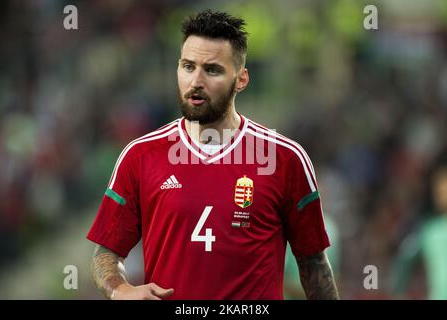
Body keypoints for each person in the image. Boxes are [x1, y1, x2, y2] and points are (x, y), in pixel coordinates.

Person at [87, 9, 339, 300]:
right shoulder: (140, 156)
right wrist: (120, 291)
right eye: (188, 66)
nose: (196, 81)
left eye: (213, 70)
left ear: (241, 80)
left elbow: (313, 264)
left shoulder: (286, 159)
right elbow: (106, 252)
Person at [391, 165, 447, 299]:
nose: (443, 196)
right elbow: (404, 260)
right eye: (439, 192)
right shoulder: (429, 230)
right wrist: (398, 293)